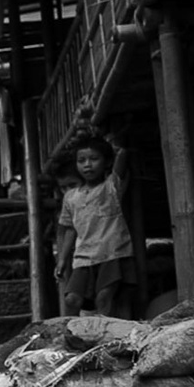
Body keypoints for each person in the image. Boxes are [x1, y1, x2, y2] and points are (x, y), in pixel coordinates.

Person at [55, 134, 132, 317]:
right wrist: (62, 259)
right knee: (72, 299)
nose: (87, 164)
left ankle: (104, 340)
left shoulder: (111, 187)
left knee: (104, 298)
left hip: (112, 252)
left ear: (106, 162)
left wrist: (114, 145)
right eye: (81, 160)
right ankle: (70, 336)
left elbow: (123, 155)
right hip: (83, 257)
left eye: (94, 159)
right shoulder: (71, 197)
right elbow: (70, 229)